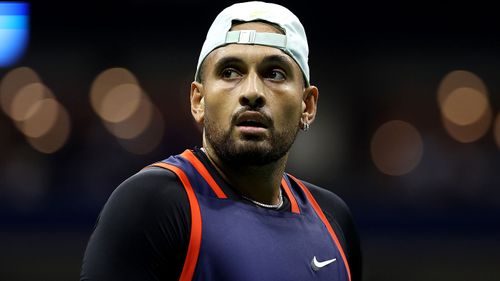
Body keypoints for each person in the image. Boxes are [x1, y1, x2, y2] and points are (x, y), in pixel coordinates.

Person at [80, 1, 362, 280]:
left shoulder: (333, 218)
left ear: (307, 105)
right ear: (198, 100)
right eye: (230, 72)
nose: (252, 92)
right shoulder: (153, 205)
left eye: (274, 73)